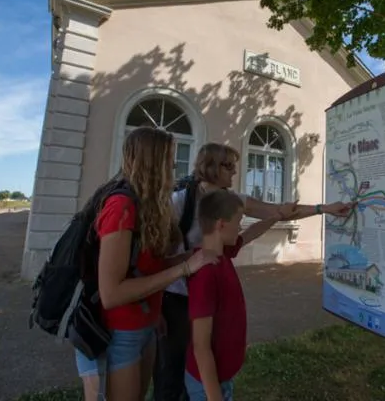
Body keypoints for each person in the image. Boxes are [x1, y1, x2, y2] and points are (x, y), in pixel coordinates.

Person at [152, 142, 353, 401]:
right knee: (172, 375)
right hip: (178, 296)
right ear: (211, 167)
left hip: (208, 293)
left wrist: (322, 209)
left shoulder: (231, 202)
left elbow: (279, 212)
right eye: (229, 166)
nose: (235, 172)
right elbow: (159, 256)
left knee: (202, 363)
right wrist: (155, 305)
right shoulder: (180, 202)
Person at [76, 127, 219, 401]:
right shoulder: (121, 207)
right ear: (152, 162)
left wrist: (183, 258)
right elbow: (112, 293)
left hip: (146, 324)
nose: (173, 165)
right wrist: (182, 269)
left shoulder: (148, 205)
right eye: (169, 159)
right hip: (120, 334)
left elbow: (145, 268)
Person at [185, 190, 297, 400]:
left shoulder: (221, 254)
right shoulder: (206, 273)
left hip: (221, 378)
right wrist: (214, 396)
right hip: (207, 386)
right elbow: (201, 346)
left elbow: (252, 232)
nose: (240, 227)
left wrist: (277, 216)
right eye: (238, 221)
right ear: (221, 224)